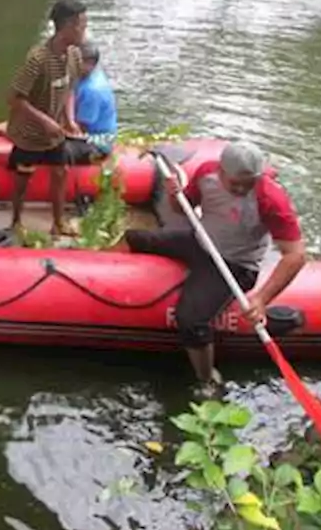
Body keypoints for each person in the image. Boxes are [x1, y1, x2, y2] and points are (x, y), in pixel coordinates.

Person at [122, 141, 307, 394]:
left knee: (190, 319)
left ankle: (207, 379)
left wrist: (263, 298)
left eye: (248, 182)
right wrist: (175, 193)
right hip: (200, 240)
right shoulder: (207, 173)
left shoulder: (270, 199)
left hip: (236, 264)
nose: (241, 188)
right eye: (235, 183)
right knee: (136, 238)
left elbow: (295, 255)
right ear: (221, 171)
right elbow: (182, 209)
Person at [4, 0, 89, 237]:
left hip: (56, 133)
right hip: (30, 134)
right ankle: (16, 221)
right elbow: (13, 98)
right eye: (82, 25)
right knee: (23, 177)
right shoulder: (37, 60)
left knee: (60, 172)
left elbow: (70, 89)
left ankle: (59, 222)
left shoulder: (74, 55)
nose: (85, 30)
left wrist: (69, 119)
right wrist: (45, 121)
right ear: (68, 26)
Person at [0, 41, 117, 163]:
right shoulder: (83, 74)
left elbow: (78, 130)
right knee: (39, 116)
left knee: (50, 144)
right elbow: (70, 93)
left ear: (90, 64)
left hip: (95, 143)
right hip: (79, 129)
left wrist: (48, 126)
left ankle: (3, 155)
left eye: (78, 61)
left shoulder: (93, 91)